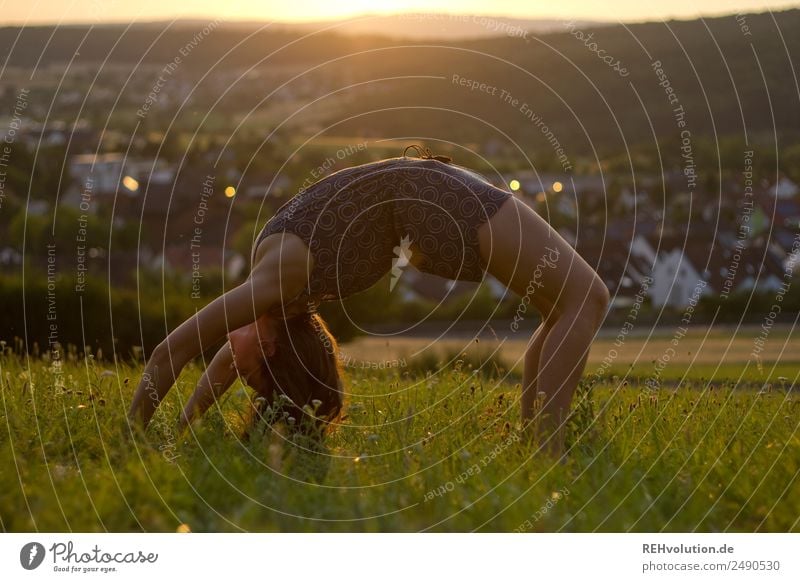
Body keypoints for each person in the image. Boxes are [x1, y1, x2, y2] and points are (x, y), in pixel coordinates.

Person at [128, 145, 610, 455]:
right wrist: (163, 436)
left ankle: (540, 450)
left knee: (569, 303)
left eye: (244, 371)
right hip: (428, 201)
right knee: (584, 298)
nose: (231, 356)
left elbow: (181, 352)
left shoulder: (277, 286)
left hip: (422, 202)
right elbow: (201, 357)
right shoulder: (277, 288)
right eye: (247, 369)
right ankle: (545, 451)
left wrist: (148, 436)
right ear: (272, 347)